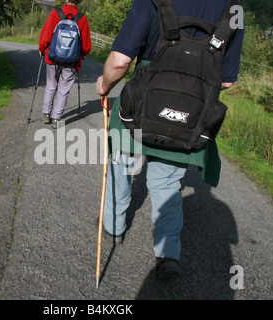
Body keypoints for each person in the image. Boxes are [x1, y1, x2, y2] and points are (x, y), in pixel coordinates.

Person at [96, 0, 244, 280]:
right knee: (166, 182)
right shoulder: (234, 9)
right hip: (189, 114)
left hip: (141, 107)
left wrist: (103, 86)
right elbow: (226, 81)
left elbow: (120, 61)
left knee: (122, 164)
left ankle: (114, 228)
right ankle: (168, 255)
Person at [39, 0, 92, 129]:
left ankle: (46, 114)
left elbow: (45, 35)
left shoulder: (55, 14)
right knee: (64, 89)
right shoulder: (82, 18)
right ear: (79, 1)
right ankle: (56, 118)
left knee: (51, 85)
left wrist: (42, 48)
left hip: (53, 58)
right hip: (72, 62)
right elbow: (86, 47)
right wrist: (80, 55)